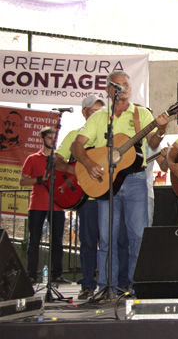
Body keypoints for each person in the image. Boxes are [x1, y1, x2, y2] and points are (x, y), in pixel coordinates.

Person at [71, 70, 169, 292]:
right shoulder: (99, 117)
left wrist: (161, 129)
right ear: (109, 90)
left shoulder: (141, 114)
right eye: (118, 85)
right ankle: (107, 287)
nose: (124, 88)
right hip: (106, 183)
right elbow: (77, 146)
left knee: (138, 236)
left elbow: (153, 143)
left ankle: (136, 286)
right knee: (106, 239)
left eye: (127, 84)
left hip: (135, 181)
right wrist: (89, 164)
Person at [55, 95, 106, 299]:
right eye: (94, 111)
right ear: (84, 112)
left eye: (101, 112)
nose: (97, 116)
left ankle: (108, 283)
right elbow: (56, 161)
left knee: (110, 242)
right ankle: (87, 284)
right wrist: (74, 170)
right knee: (87, 242)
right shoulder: (74, 135)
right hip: (87, 199)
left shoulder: (106, 135)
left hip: (107, 196)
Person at [20, 127, 70, 285]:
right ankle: (31, 275)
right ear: (43, 139)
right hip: (37, 205)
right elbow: (22, 181)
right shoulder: (33, 158)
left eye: (54, 138)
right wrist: (40, 179)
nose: (52, 141)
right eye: (49, 138)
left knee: (57, 242)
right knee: (33, 241)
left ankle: (57, 275)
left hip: (57, 206)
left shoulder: (60, 160)